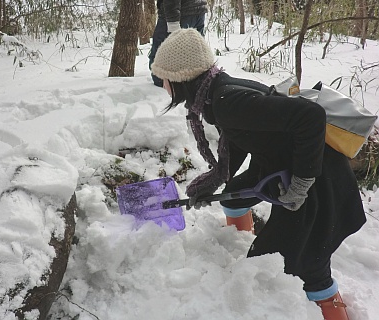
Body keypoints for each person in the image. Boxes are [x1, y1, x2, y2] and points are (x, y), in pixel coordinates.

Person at [151, 28, 366, 320]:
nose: (162, 84)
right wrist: (217, 180)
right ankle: (241, 238)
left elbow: (310, 116)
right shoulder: (219, 92)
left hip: (317, 180)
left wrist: (301, 183)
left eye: (163, 78)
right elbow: (242, 136)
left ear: (181, 79)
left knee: (292, 264)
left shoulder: (227, 102)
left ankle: (332, 310)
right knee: (233, 196)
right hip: (280, 164)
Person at [148, 0, 208, 87]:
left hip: (181, 12)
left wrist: (173, 23)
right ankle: (192, 82)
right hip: (198, 8)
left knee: (161, 50)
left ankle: (165, 83)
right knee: (194, 49)